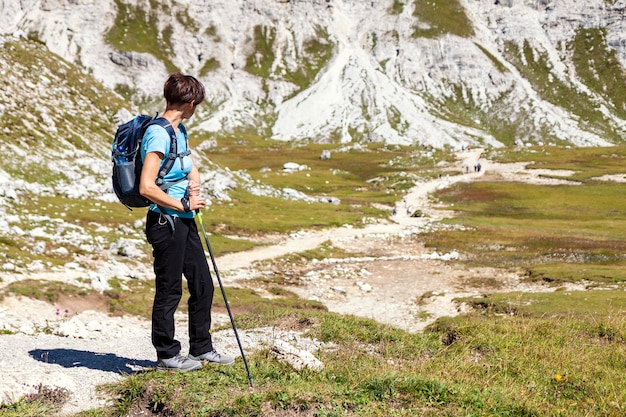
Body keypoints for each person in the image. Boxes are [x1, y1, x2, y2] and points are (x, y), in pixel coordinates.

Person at [139, 72, 234, 371]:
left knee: (203, 283)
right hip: (166, 222)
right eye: (197, 104)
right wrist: (183, 202)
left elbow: (187, 165)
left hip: (185, 219)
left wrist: (195, 181)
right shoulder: (158, 133)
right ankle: (166, 354)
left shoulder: (179, 132)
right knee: (169, 289)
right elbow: (147, 187)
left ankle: (201, 348)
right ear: (190, 103)